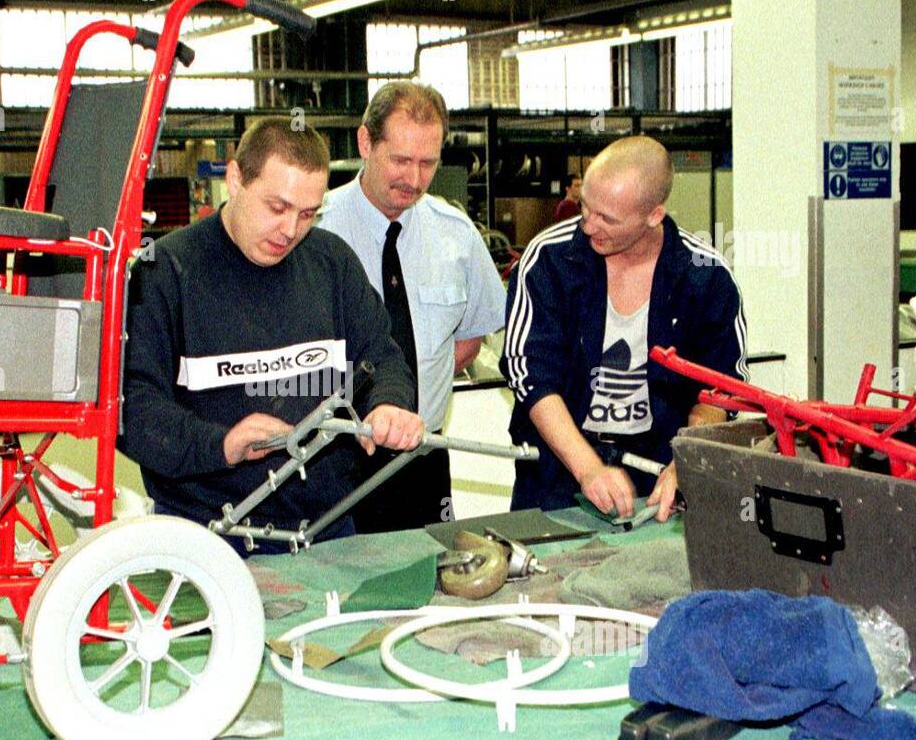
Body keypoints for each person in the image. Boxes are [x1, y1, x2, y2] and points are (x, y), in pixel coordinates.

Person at [120, 117, 425, 555]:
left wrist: (389, 403)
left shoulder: (331, 264)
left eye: (306, 214)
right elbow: (133, 408)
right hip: (207, 537)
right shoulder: (163, 272)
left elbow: (381, 356)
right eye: (276, 207)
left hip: (328, 533)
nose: (290, 230)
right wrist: (221, 444)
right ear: (235, 179)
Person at [501, 135, 747, 521]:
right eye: (586, 207)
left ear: (654, 215)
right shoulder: (548, 260)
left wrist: (687, 460)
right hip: (557, 476)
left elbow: (720, 390)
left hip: (659, 479)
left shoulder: (707, 277)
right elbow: (530, 375)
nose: (587, 225)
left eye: (607, 219)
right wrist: (588, 468)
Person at [317, 82, 506, 532]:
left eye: (428, 163)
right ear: (366, 142)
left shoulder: (457, 235)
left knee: (429, 584)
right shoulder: (315, 230)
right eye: (400, 160)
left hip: (424, 458)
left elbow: (468, 341)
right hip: (334, 456)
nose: (415, 179)